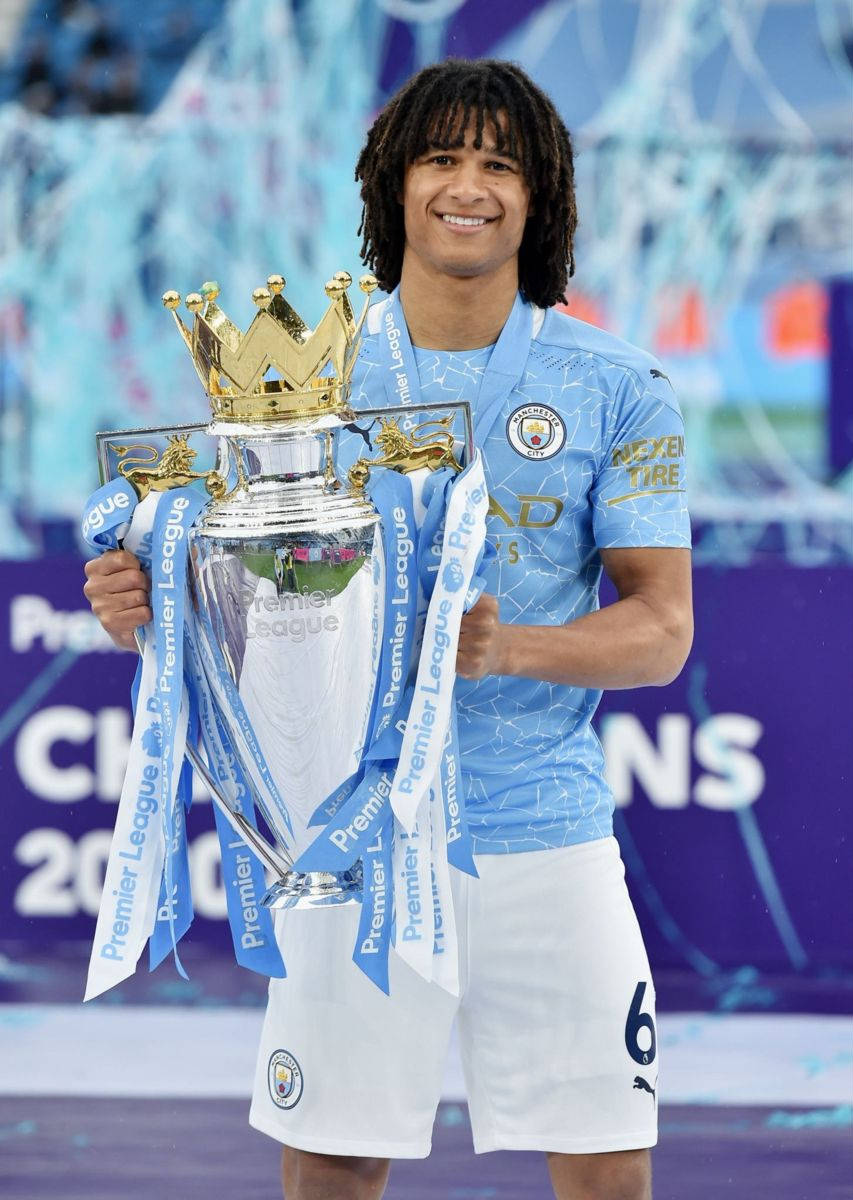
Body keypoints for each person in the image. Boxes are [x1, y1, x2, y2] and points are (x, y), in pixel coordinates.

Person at [84, 58, 692, 1200]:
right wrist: (148, 604)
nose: (471, 185)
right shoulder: (306, 379)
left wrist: (503, 648)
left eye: (501, 164)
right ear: (395, 184)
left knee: (610, 1169)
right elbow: (235, 598)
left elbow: (661, 632)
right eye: (443, 157)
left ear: (539, 196)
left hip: (543, 830)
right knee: (336, 1163)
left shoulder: (617, 385)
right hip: (348, 834)